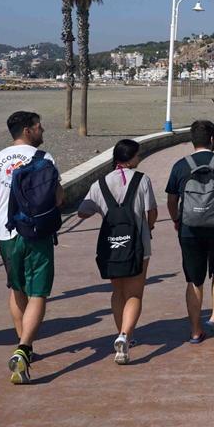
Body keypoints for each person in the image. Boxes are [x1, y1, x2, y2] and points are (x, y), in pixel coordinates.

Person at [0, 111, 64, 384]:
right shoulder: (44, 158)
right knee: (38, 292)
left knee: (17, 289)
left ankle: (22, 341)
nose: (42, 131)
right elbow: (58, 196)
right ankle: (24, 348)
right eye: (39, 127)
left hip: (6, 235)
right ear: (28, 130)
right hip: (37, 233)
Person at [77, 139, 158, 364]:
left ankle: (121, 333)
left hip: (112, 246)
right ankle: (125, 335)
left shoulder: (100, 183)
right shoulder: (142, 180)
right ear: (131, 158)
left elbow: (82, 212)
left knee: (118, 292)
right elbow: (152, 212)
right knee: (134, 293)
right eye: (137, 155)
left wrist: (103, 210)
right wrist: (149, 227)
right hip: (138, 245)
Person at [166, 119, 214, 342]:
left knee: (194, 279)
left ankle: (195, 330)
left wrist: (176, 220)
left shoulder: (180, 165)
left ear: (193, 141)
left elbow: (172, 199)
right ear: (212, 140)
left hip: (189, 230)